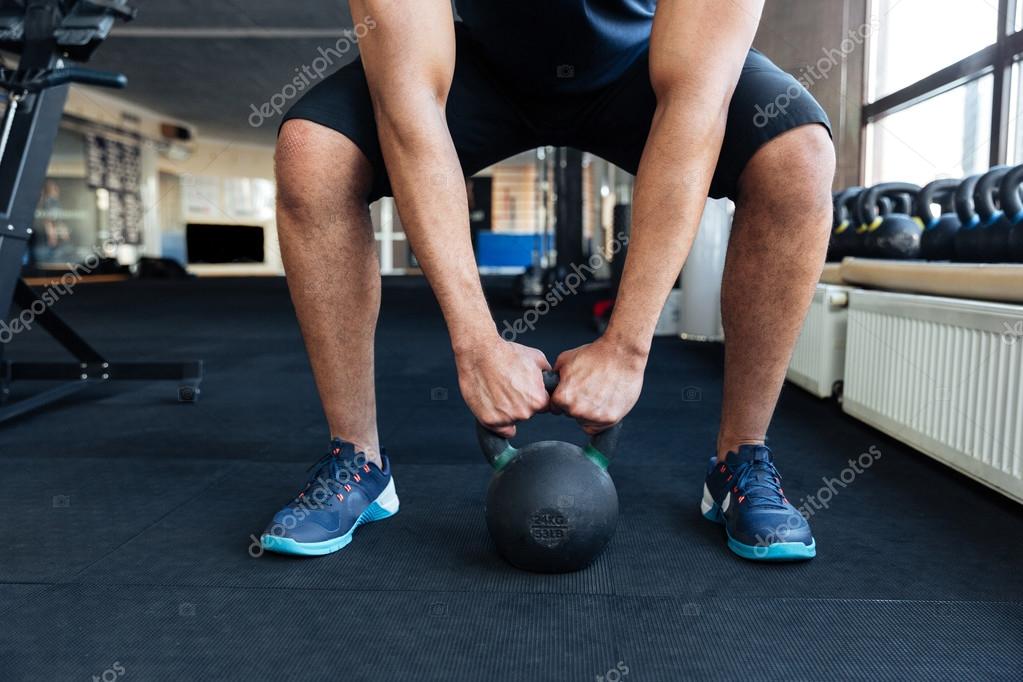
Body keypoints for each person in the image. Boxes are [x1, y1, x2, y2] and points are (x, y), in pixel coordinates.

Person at [260, 0, 835, 561]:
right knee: (314, 154)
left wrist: (627, 347)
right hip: (478, 64)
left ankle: (742, 458)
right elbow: (408, 106)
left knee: (797, 157)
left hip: (648, 62)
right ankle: (357, 459)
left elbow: (696, 107)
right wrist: (476, 343)